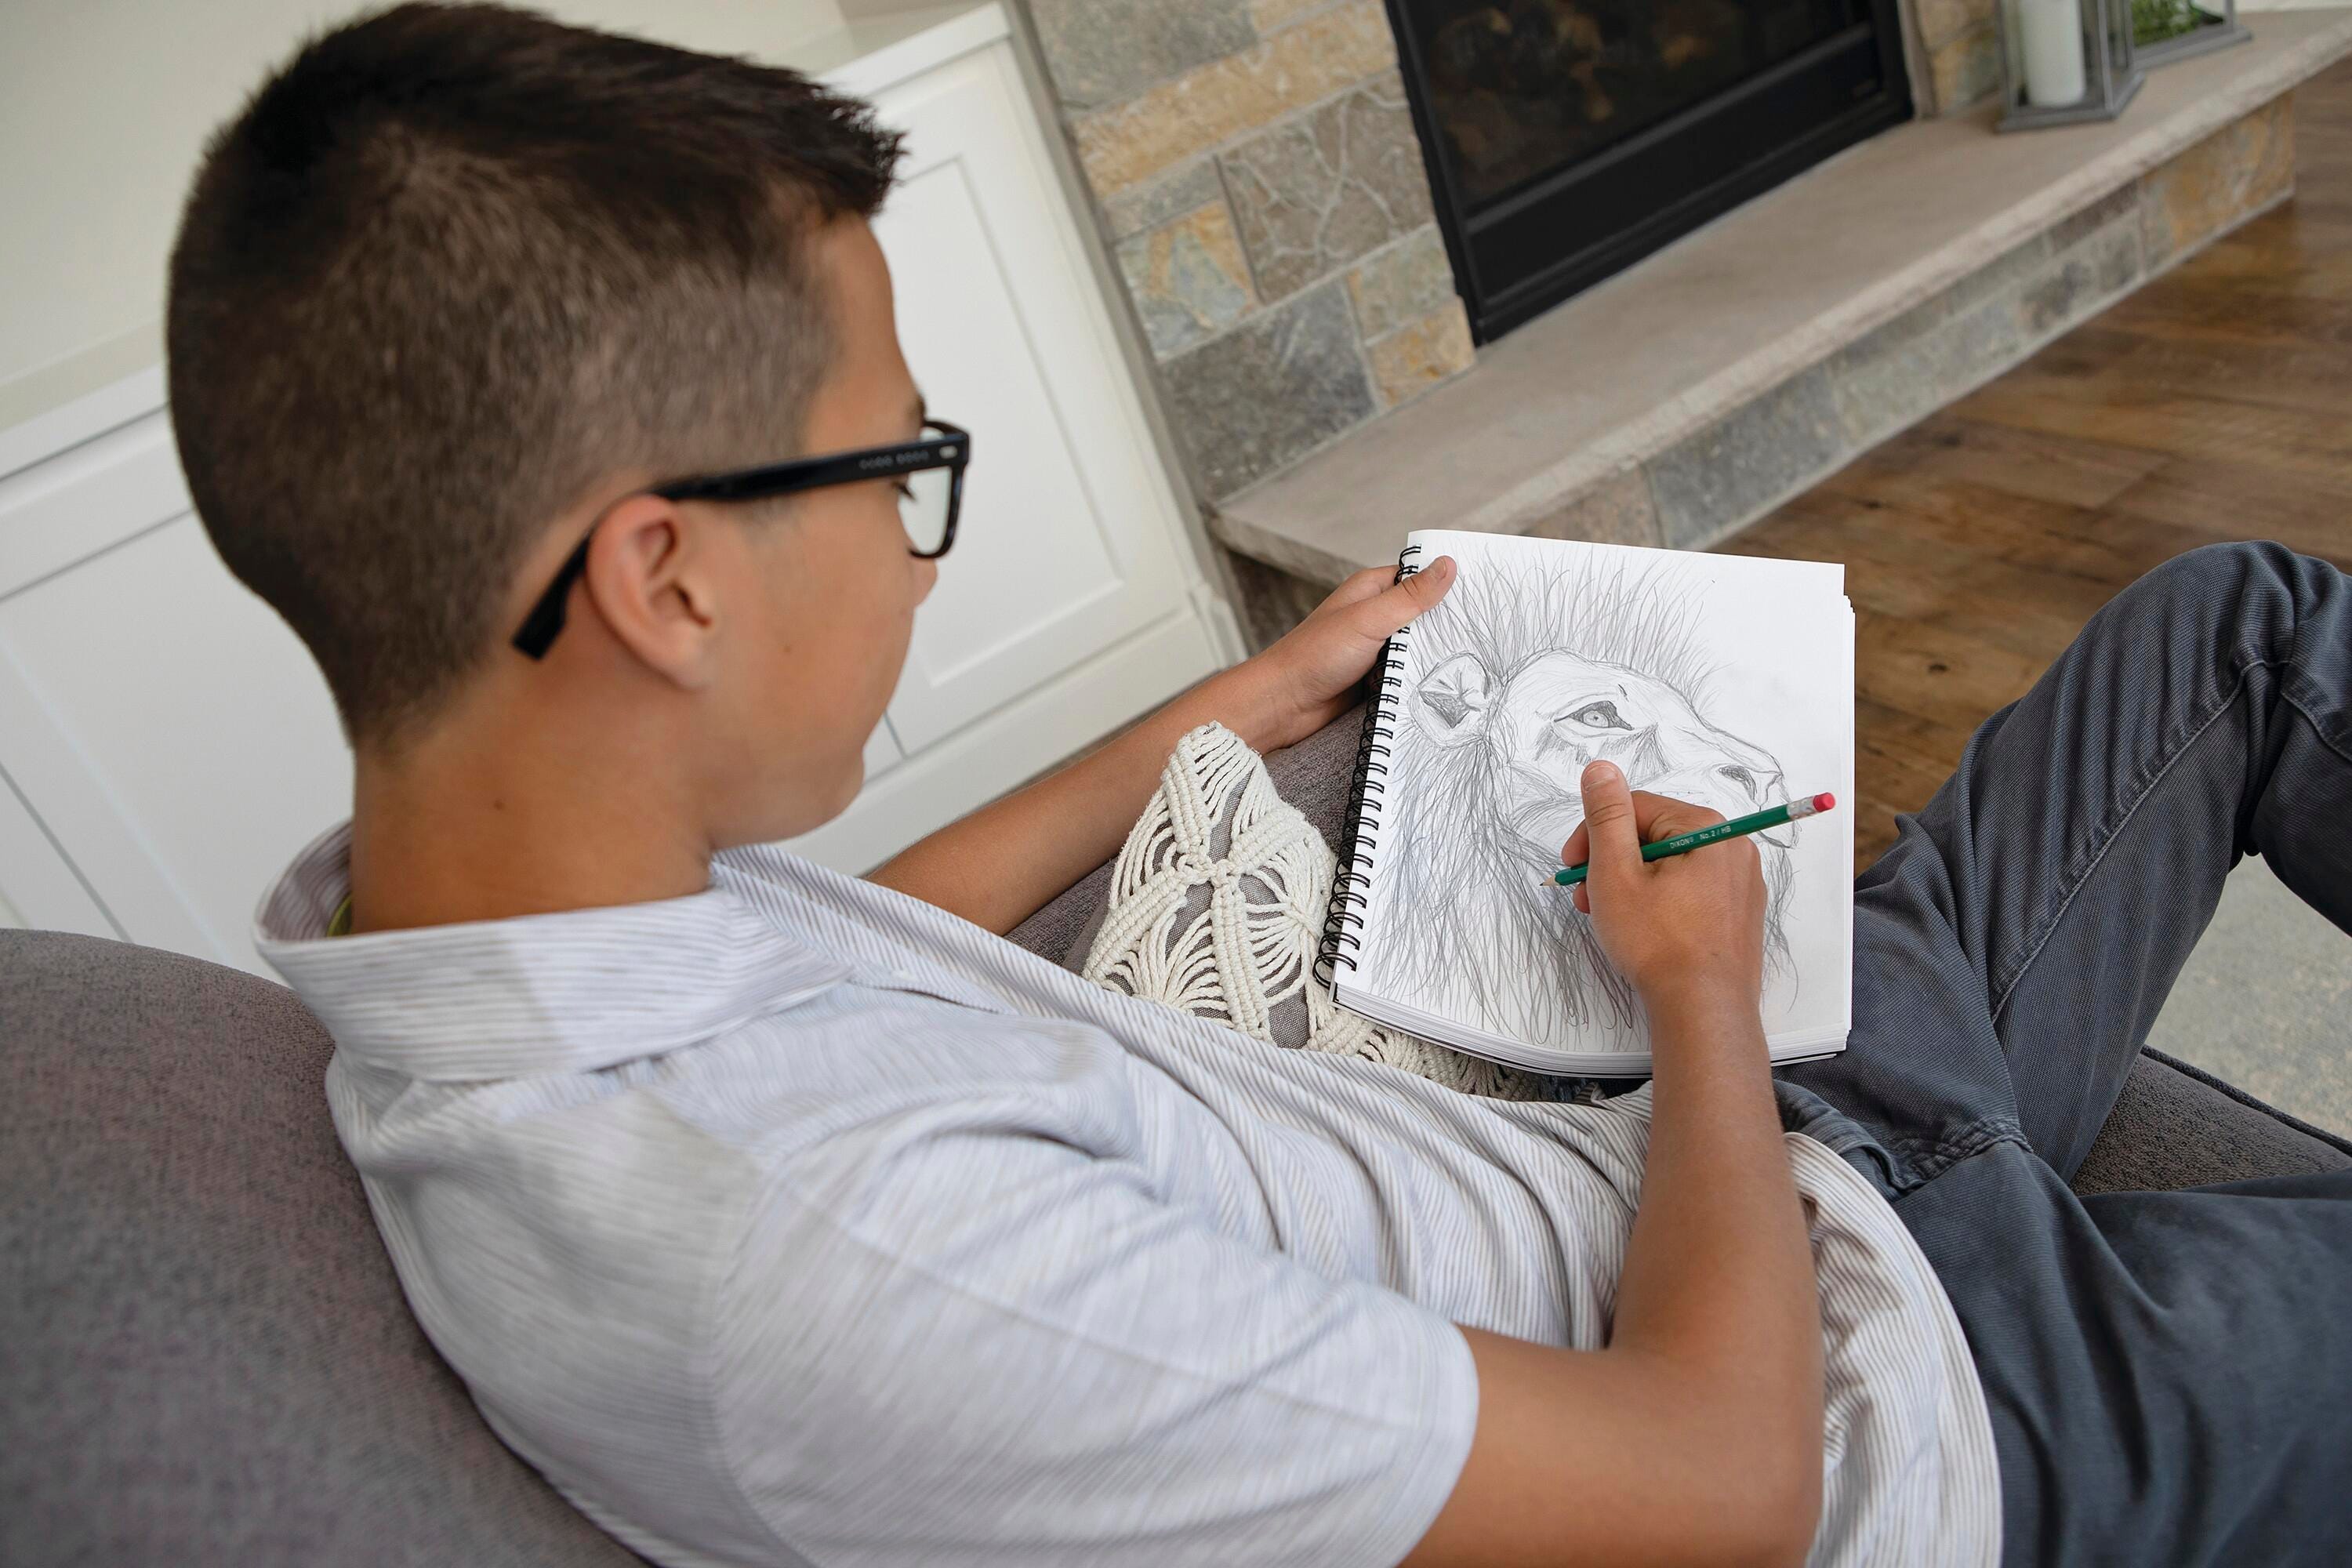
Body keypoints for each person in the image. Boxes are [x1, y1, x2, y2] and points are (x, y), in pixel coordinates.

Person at [168, 5, 2352, 1566]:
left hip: (1768, 1155)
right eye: (899, 468)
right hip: (1918, 1402)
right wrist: (1696, 988)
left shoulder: (495, 932)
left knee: (2238, 626)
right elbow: (1721, 1491)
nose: (921, 552)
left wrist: (1249, 692)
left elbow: (869, 939)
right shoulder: (813, 1262)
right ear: (667, 579)